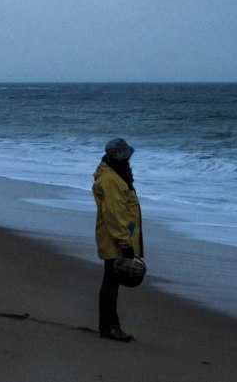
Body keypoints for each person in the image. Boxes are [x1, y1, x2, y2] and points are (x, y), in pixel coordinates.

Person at [92, 138, 144, 342]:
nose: (128, 159)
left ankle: (109, 324)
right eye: (126, 156)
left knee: (111, 280)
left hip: (114, 235)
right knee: (111, 281)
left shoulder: (115, 174)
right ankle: (109, 326)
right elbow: (114, 213)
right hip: (115, 237)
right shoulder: (111, 179)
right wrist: (125, 243)